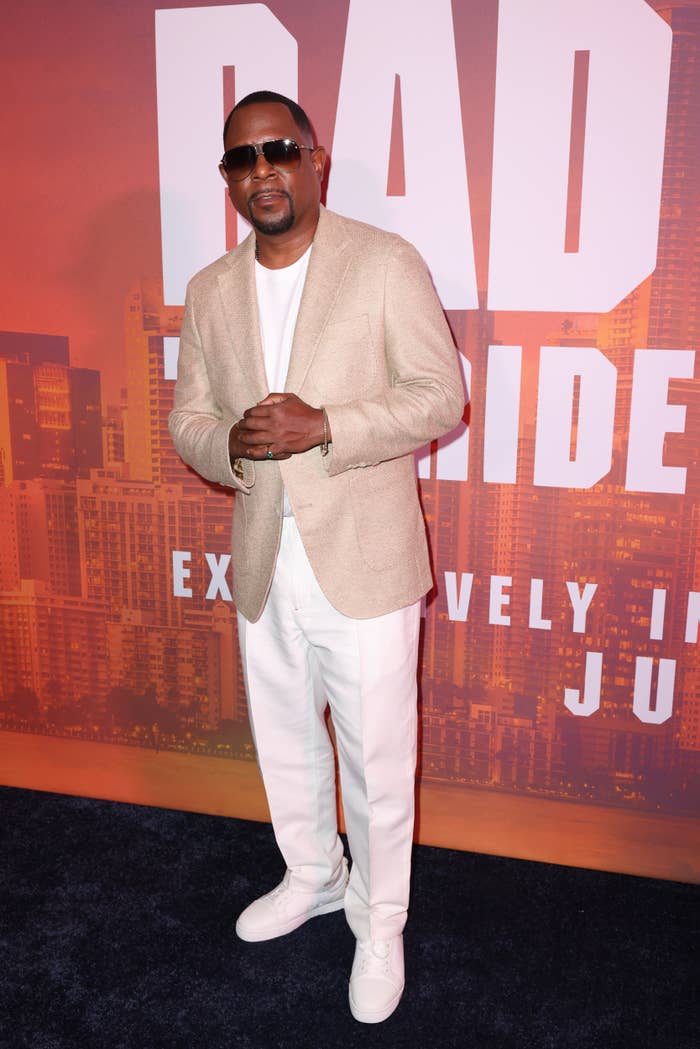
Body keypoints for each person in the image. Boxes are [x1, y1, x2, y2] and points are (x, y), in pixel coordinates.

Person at [169, 90, 464, 1024]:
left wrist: (325, 424)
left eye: (278, 150)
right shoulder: (210, 289)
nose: (261, 171)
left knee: (376, 758)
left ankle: (381, 924)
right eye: (241, 159)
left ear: (315, 158)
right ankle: (313, 874)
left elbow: (439, 395)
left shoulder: (383, 262)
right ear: (227, 177)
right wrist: (231, 448)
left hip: (366, 561)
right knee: (287, 738)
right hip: (263, 557)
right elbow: (188, 420)